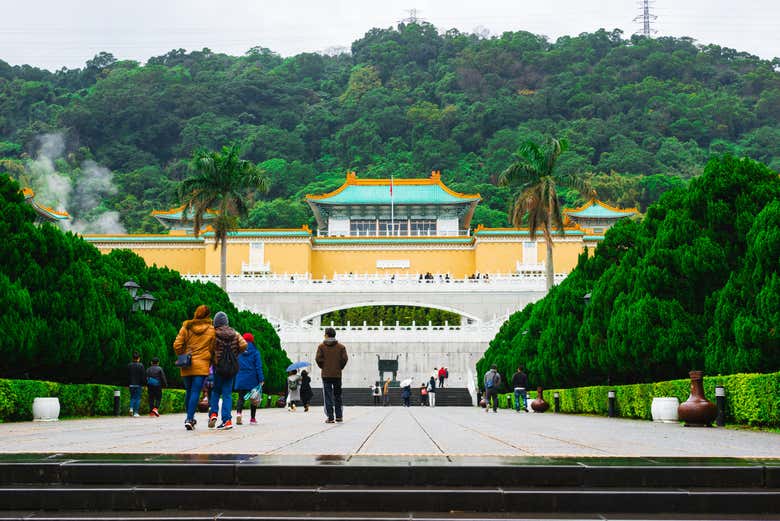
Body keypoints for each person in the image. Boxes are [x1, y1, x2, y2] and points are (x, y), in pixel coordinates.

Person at [173, 304, 215, 430]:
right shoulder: (211, 330)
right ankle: (189, 418)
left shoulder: (186, 327)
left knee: (189, 391)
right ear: (208, 315)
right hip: (202, 364)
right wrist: (209, 358)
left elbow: (177, 345)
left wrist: (183, 354)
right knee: (196, 391)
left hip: (187, 363)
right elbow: (213, 349)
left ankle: (189, 416)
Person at [208, 311, 247, 430]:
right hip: (231, 368)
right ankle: (227, 420)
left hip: (218, 367)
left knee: (215, 391)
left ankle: (213, 414)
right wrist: (235, 353)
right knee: (227, 394)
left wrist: (214, 356)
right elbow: (244, 344)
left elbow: (209, 348)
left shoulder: (213, 334)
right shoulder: (235, 333)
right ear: (226, 322)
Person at [315, 327, 348, 423]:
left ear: (326, 335)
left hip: (326, 375)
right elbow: (344, 359)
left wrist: (324, 367)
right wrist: (339, 367)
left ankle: (330, 417)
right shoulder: (341, 347)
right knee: (338, 395)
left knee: (328, 396)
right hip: (337, 375)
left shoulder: (321, 346)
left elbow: (318, 359)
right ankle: (339, 416)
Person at [235, 332, 264, 425]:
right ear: (252, 340)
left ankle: (239, 414)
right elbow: (258, 366)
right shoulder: (255, 352)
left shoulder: (239, 351)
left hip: (241, 377)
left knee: (240, 398)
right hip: (252, 378)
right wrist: (261, 379)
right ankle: (252, 419)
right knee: (254, 398)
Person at [128, 352, 145, 417]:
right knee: (137, 398)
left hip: (131, 384)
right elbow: (143, 376)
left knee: (132, 397)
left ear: (133, 358)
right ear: (139, 358)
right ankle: (136, 412)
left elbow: (127, 375)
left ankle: (131, 408)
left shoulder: (129, 365)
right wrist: (144, 384)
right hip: (138, 384)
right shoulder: (141, 365)